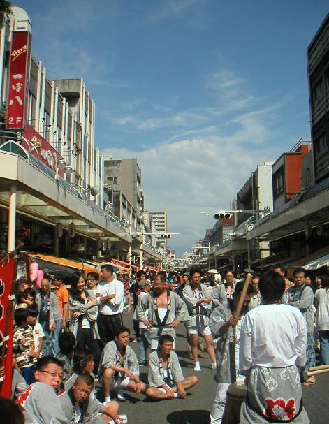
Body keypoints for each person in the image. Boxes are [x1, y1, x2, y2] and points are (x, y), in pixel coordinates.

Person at [239, 270, 309, 423]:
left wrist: (245, 371)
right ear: (282, 290)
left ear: (261, 290)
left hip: (261, 373)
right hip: (289, 372)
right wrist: (300, 366)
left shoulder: (252, 316)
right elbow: (301, 347)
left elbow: (245, 353)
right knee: (291, 414)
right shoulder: (295, 314)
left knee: (257, 415)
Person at [209, 280, 254, 423]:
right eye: (243, 300)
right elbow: (215, 330)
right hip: (227, 359)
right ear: (234, 297)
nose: (245, 304)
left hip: (245, 360)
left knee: (246, 396)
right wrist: (228, 323)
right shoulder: (221, 310)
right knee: (223, 396)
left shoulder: (252, 312)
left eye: (248, 300)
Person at [137, 272, 189, 351]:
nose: (154, 287)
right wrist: (144, 320)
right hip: (155, 328)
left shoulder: (173, 296)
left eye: (157, 285)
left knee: (170, 352)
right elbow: (140, 308)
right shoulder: (149, 296)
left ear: (164, 284)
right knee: (155, 352)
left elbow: (183, 307)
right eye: (154, 285)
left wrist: (178, 319)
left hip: (168, 329)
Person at [98, 326, 146, 403]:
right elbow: (108, 364)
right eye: (123, 337)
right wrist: (124, 369)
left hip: (121, 377)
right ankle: (107, 398)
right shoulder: (110, 346)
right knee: (108, 371)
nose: (126, 339)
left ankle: (120, 389)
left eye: (127, 336)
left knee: (142, 386)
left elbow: (134, 366)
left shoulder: (129, 349)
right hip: (109, 379)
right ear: (116, 338)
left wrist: (137, 381)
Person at [182, 268, 217, 371]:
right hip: (193, 317)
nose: (197, 279)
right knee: (194, 341)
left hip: (203, 316)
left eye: (198, 277)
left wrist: (203, 301)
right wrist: (201, 300)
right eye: (195, 277)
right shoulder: (186, 289)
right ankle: (196, 362)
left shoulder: (204, 288)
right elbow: (190, 301)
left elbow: (209, 300)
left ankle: (214, 361)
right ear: (191, 278)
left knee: (209, 340)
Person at [16, 356, 68, 424]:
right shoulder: (44, 388)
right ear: (37, 375)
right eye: (53, 374)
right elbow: (55, 421)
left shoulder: (32, 390)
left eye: (60, 376)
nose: (58, 380)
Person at [286, 267, 316, 386]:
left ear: (304, 278)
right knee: (296, 349)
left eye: (301, 277)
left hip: (306, 324)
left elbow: (305, 303)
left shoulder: (308, 289)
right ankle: (297, 374)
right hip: (293, 325)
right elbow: (285, 302)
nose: (298, 279)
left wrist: (292, 304)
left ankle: (310, 374)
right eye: (296, 277)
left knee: (308, 349)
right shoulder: (290, 290)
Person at [145, 334, 198, 400]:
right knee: (149, 392)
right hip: (159, 386)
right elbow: (156, 376)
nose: (170, 348)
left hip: (172, 385)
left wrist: (180, 388)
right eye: (167, 345)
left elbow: (177, 371)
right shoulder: (153, 356)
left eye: (171, 345)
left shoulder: (173, 355)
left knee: (194, 379)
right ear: (160, 346)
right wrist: (167, 390)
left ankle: (170, 394)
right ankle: (174, 395)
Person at [69, 273, 102, 372]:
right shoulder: (71, 296)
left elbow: (94, 309)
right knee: (79, 352)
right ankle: (79, 372)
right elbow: (75, 307)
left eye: (82, 282)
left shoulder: (89, 293)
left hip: (91, 326)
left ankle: (95, 371)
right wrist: (88, 306)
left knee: (97, 352)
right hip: (78, 328)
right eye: (78, 282)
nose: (81, 284)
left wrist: (82, 311)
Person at [96, 264, 124, 346]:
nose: (101, 274)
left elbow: (116, 302)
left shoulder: (118, 284)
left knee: (116, 340)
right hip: (102, 316)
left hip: (114, 317)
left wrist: (103, 298)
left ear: (109, 272)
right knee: (103, 340)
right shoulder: (100, 285)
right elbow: (97, 300)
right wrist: (109, 296)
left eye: (103, 271)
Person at [36, 277, 62, 356]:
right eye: (43, 285)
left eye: (46, 285)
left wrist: (54, 322)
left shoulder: (52, 295)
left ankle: (54, 355)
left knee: (53, 339)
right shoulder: (38, 295)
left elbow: (56, 309)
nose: (44, 288)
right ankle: (44, 355)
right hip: (41, 320)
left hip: (51, 320)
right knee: (42, 338)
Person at [13, 308, 36, 385]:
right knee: (25, 383)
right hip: (23, 363)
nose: (30, 318)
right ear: (22, 321)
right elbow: (14, 349)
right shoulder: (16, 332)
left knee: (33, 381)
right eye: (27, 317)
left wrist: (33, 350)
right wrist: (16, 366)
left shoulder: (29, 329)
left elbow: (32, 342)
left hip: (32, 362)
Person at [314, 270, 329, 364]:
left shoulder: (318, 292)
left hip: (322, 320)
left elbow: (316, 304)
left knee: (324, 343)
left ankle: (326, 364)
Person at [137, 279, 151, 366]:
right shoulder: (145, 296)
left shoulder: (141, 295)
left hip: (142, 322)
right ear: (145, 287)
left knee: (143, 342)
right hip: (146, 321)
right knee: (151, 341)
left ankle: (142, 359)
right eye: (149, 285)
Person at [130, 270, 146, 342]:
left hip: (145, 307)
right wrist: (129, 306)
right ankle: (137, 335)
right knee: (136, 321)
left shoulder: (147, 286)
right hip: (136, 305)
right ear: (138, 277)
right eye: (142, 276)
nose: (144, 277)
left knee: (144, 321)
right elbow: (130, 296)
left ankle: (145, 336)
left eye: (145, 276)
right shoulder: (134, 286)